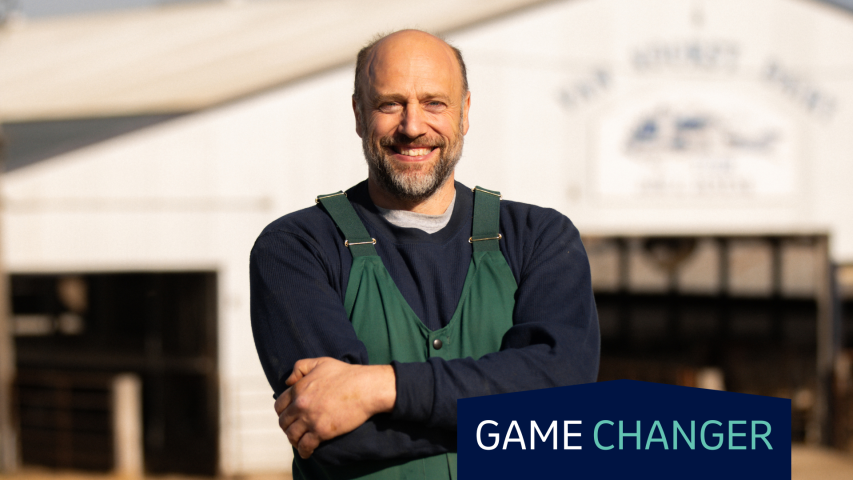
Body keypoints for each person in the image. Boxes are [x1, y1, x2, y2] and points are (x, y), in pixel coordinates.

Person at [250, 29, 599, 480]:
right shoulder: (297, 247)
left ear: (465, 112)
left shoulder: (540, 237)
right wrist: (513, 416)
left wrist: (383, 388)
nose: (412, 126)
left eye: (434, 102)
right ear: (358, 114)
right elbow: (333, 436)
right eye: (389, 104)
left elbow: (564, 402)